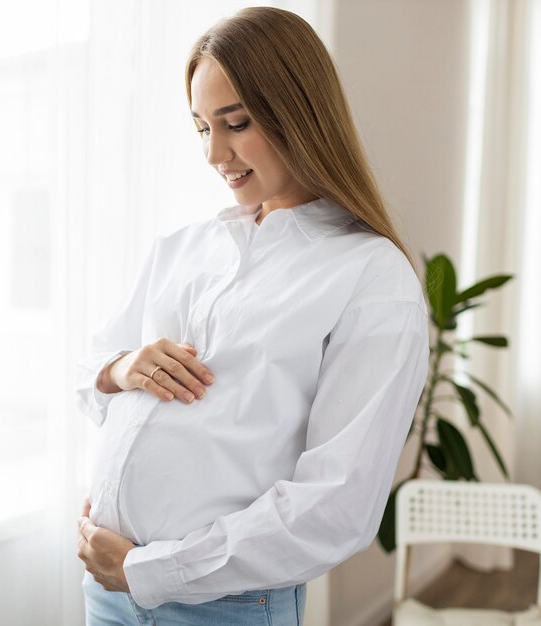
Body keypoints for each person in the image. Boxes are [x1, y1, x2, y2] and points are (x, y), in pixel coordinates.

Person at [75, 6, 430, 626]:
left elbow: (336, 506)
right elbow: (86, 375)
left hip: (222, 608)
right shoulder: (183, 248)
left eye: (235, 123)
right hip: (107, 595)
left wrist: (147, 570)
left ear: (300, 112)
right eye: (200, 127)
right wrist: (120, 367)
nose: (215, 153)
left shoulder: (372, 278)